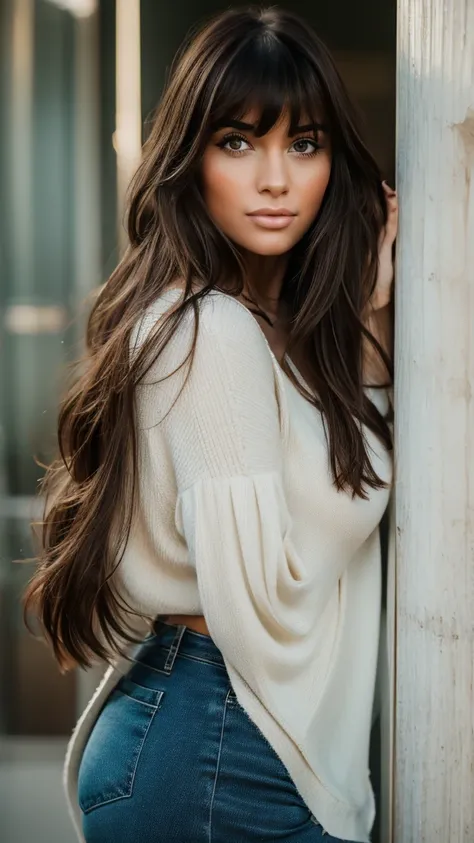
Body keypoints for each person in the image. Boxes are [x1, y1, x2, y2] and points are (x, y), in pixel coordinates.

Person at [23, 6, 397, 842]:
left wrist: (365, 326)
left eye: (304, 144)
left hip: (218, 735)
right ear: (189, 159)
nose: (276, 178)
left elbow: (331, 486)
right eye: (238, 141)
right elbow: (262, 597)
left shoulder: (267, 336)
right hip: (221, 745)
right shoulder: (210, 331)